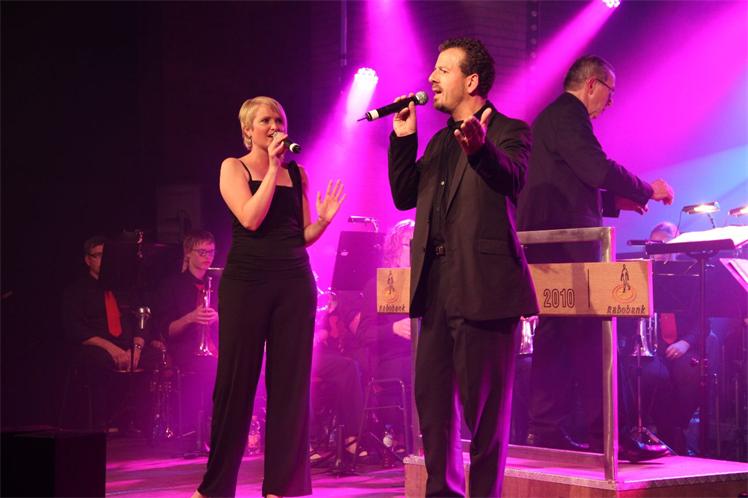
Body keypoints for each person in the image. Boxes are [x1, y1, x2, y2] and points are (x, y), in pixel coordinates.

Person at [388, 38, 539, 497]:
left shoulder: (510, 130)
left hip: (483, 288)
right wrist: (404, 139)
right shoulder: (438, 141)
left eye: (442, 70)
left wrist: (480, 150)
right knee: (433, 410)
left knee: (486, 417)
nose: (431, 79)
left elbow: (511, 177)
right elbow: (404, 195)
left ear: (471, 81)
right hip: (435, 288)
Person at [516, 55, 675, 460]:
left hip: (550, 246)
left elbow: (567, 185)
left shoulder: (550, 118)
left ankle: (546, 430)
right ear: (592, 84)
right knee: (596, 337)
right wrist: (646, 189)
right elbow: (596, 168)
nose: (611, 101)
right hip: (570, 248)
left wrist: (618, 203)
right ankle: (611, 437)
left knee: (554, 338)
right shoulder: (569, 115)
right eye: (610, 91)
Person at [193, 96, 345, 498]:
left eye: (279, 118)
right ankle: (215, 488)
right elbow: (250, 218)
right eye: (265, 120)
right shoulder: (234, 167)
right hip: (248, 282)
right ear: (248, 130)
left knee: (291, 387)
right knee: (236, 384)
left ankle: (283, 487)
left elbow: (302, 236)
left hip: (294, 284)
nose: (275, 125)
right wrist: (273, 167)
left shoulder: (298, 173)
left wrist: (324, 221)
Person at [62, 235, 147, 430]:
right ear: (88, 260)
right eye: (99, 256)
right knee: (98, 360)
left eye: (107, 256)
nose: (104, 260)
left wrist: (136, 349)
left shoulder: (126, 288)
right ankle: (101, 423)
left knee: (157, 359)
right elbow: (74, 328)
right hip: (98, 347)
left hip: (129, 346)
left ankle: (140, 422)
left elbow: (142, 319)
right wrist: (110, 348)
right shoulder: (76, 291)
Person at [152, 230, 219, 438]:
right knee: (210, 368)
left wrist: (218, 318)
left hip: (215, 346)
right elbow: (166, 331)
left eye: (211, 252)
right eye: (202, 252)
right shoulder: (171, 285)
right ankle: (203, 427)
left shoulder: (219, 283)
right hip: (184, 347)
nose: (208, 256)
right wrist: (190, 318)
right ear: (188, 253)